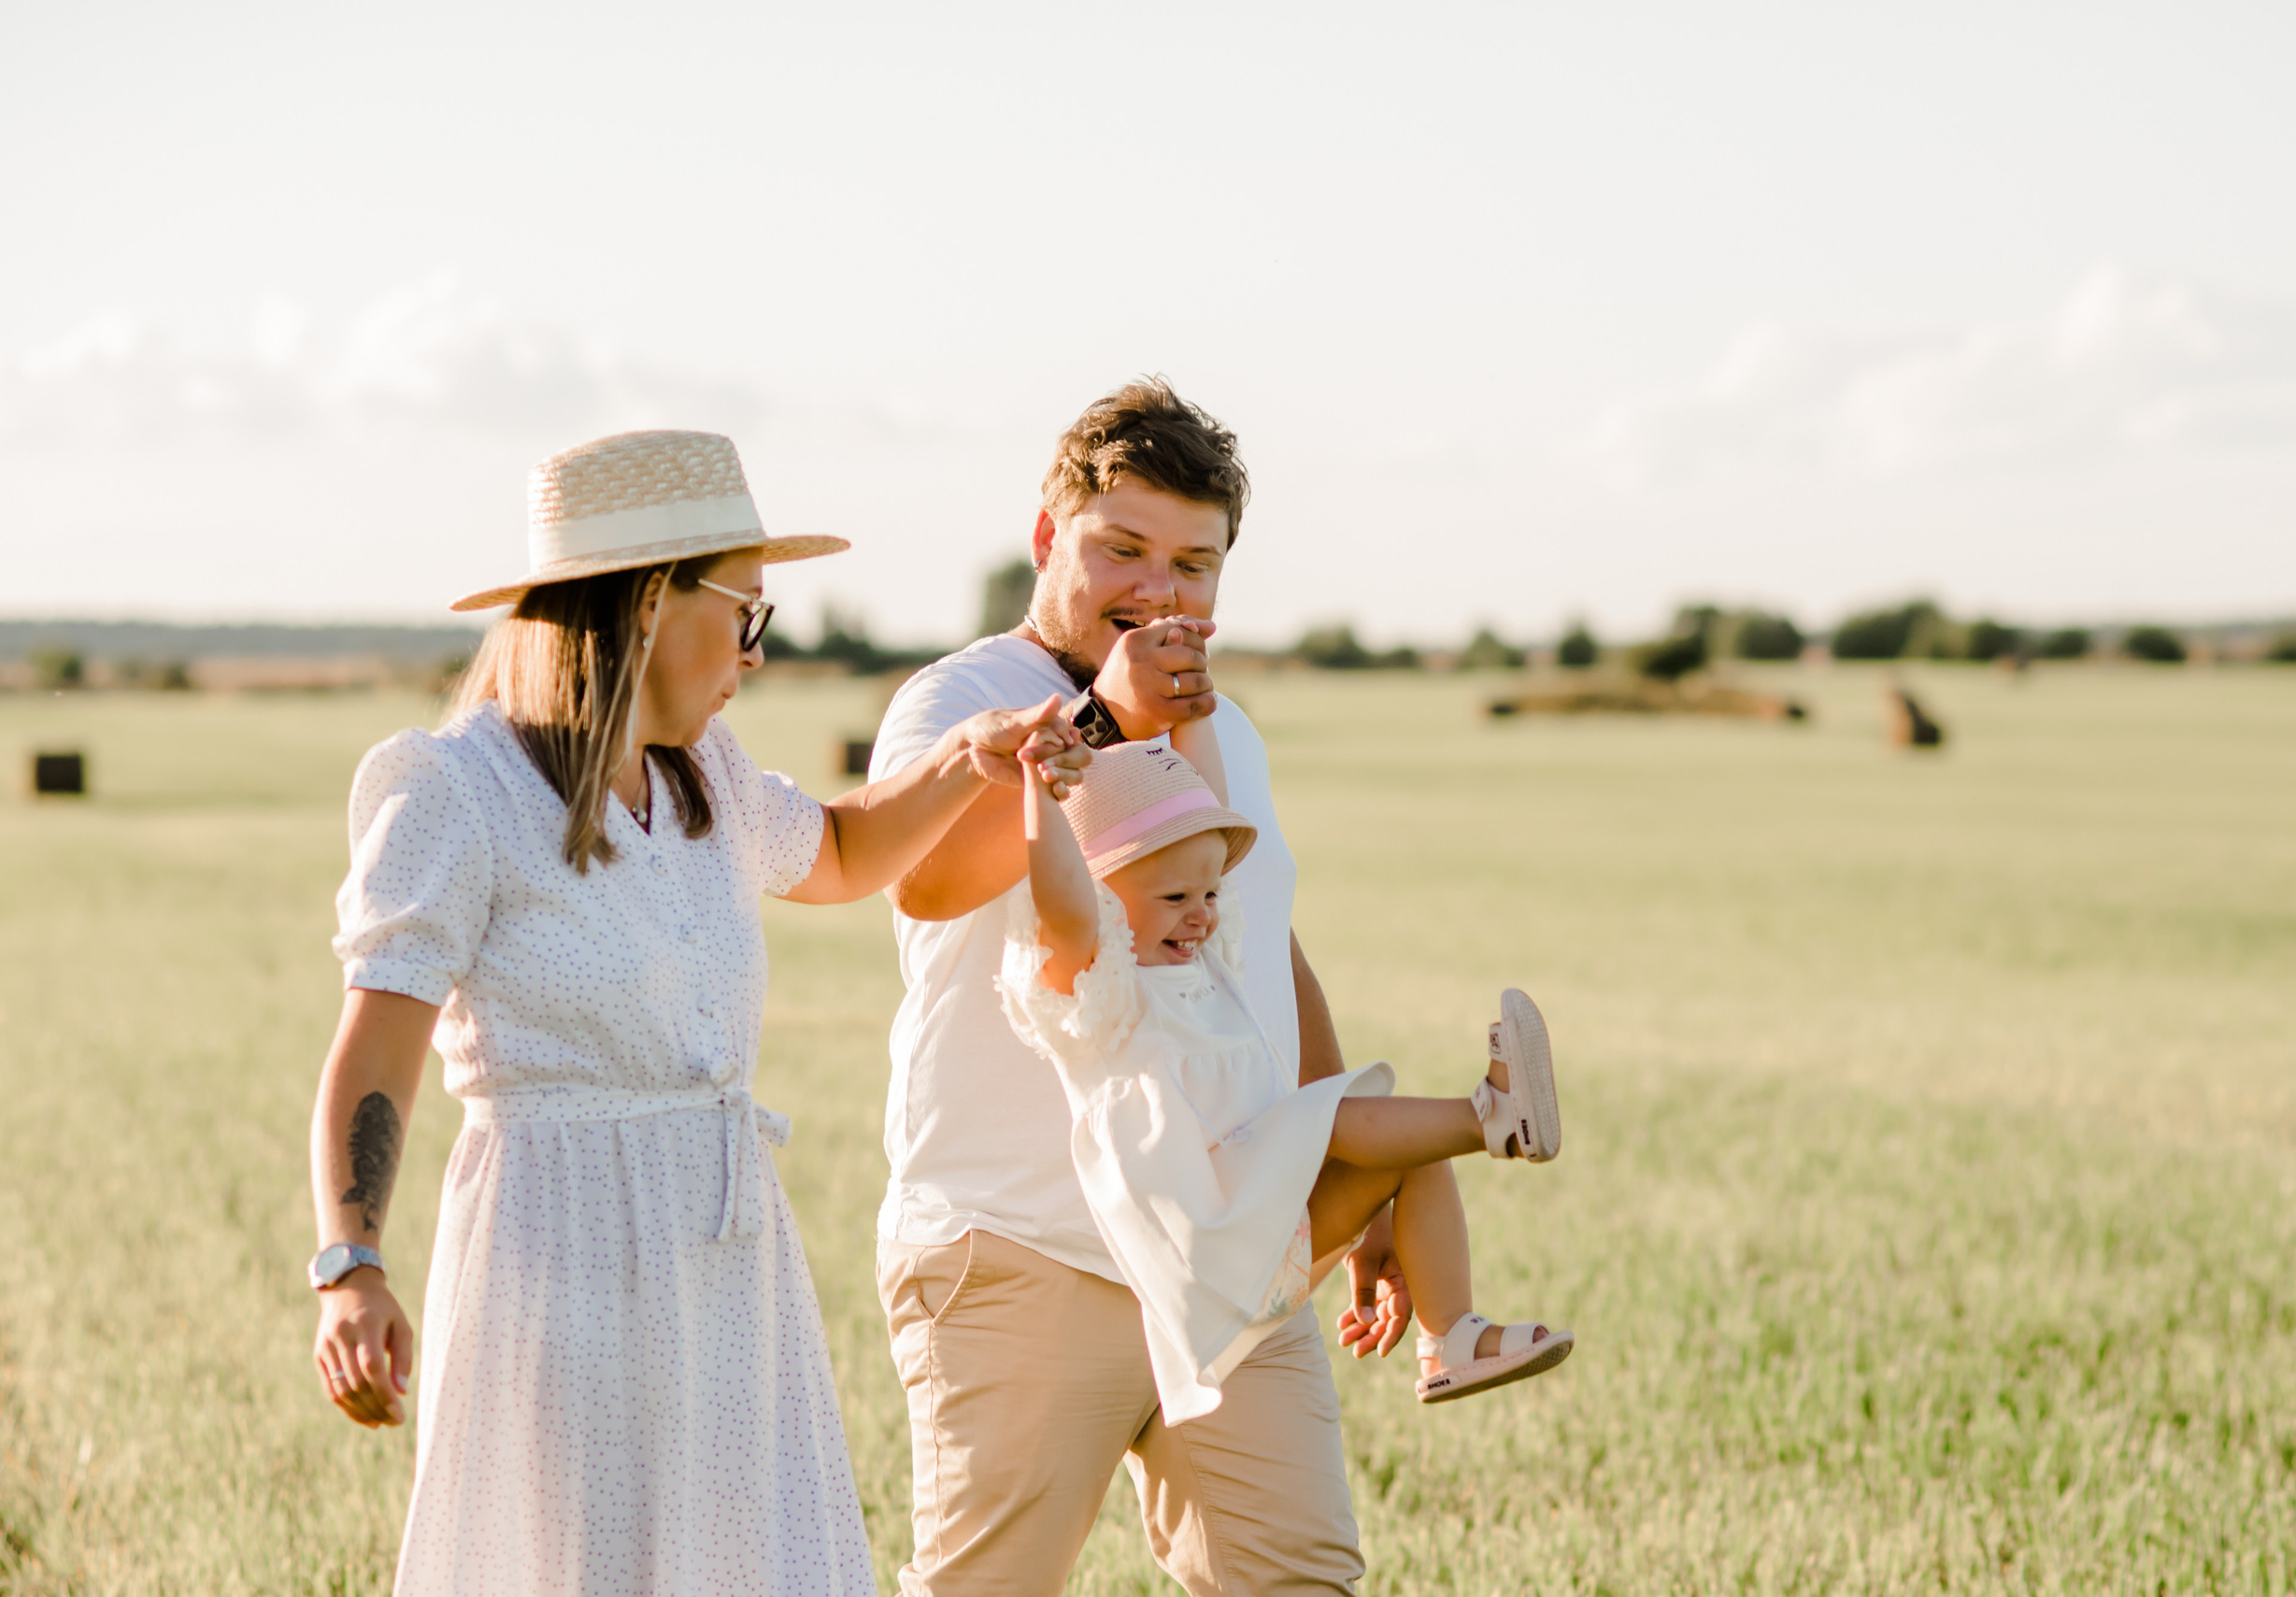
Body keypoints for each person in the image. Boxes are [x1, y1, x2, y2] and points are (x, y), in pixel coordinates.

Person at [306, 429, 1087, 1597]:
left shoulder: (704, 771)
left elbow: (835, 850)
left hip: (724, 1251)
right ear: (650, 603)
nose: (755, 653)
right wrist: (350, 1265)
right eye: (747, 613)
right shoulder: (454, 790)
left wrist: (972, 759)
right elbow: (377, 1044)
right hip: (554, 1248)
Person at [868, 379, 1397, 1595]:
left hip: (1233, 1256)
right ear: (1049, 537)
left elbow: (1261, 941)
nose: (1161, 591)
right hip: (1024, 1249)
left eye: (1195, 564)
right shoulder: (956, 703)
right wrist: (1107, 718)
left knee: (1300, 1580)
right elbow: (926, 884)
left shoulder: (1233, 732)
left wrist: (1347, 1183)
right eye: (1126, 550)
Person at [999, 730, 1574, 1427]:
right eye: (1178, 894)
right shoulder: (1105, 990)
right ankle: (1494, 1116)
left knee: (1412, 1150)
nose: (1203, 911)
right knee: (1338, 1114)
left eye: (1210, 891)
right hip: (1213, 1251)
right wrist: (1037, 790)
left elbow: (1209, 807)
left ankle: (1449, 1339)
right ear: (1105, 900)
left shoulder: (1203, 957)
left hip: (1275, 1226)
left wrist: (1196, 715)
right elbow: (1060, 896)